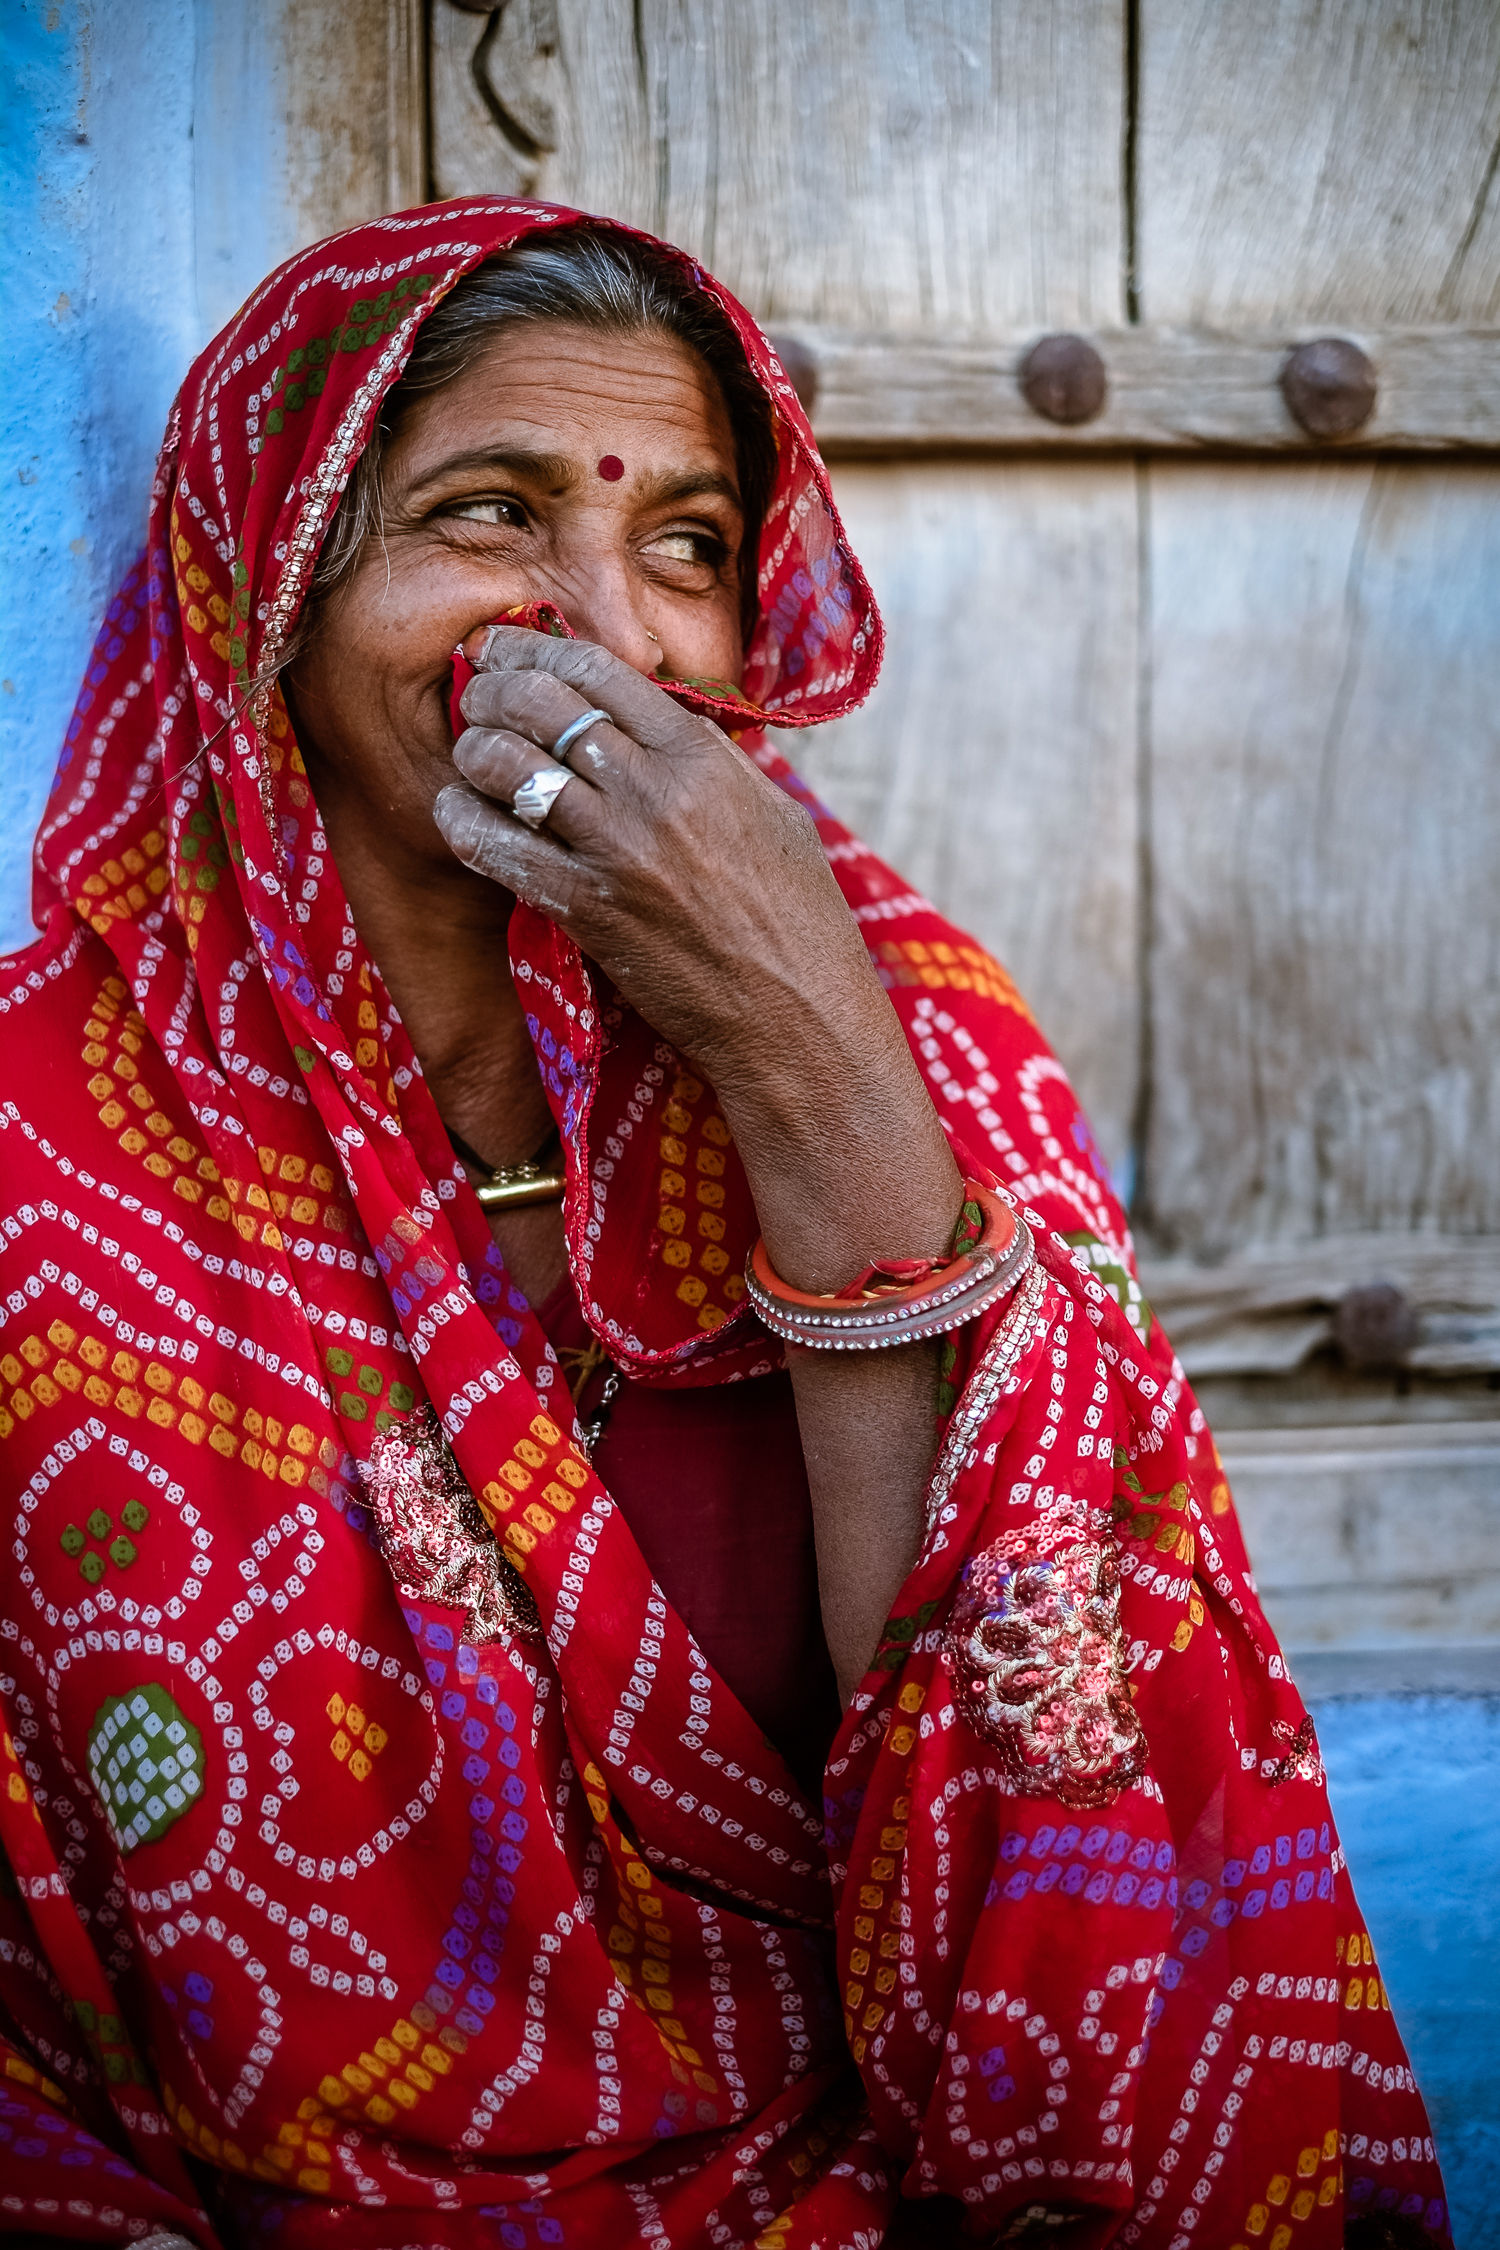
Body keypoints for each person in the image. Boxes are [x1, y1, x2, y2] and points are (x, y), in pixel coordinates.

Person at [0, 198, 1446, 2250]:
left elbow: (1071, 1747)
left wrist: (810, 1069)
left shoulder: (912, 1019)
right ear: (271, 587)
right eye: (490, 514)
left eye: (687, 545)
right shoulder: (49, 1138)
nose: (613, 629)